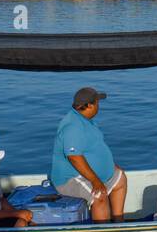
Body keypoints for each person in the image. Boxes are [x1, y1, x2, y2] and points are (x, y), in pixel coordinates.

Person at [51, 87, 127, 222]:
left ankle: (118, 222)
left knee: (120, 178)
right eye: (97, 103)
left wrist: (109, 165)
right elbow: (74, 157)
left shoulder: (85, 120)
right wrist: (95, 181)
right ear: (90, 106)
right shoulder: (73, 126)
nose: (99, 106)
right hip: (71, 178)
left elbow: (94, 147)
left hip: (90, 175)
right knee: (99, 195)